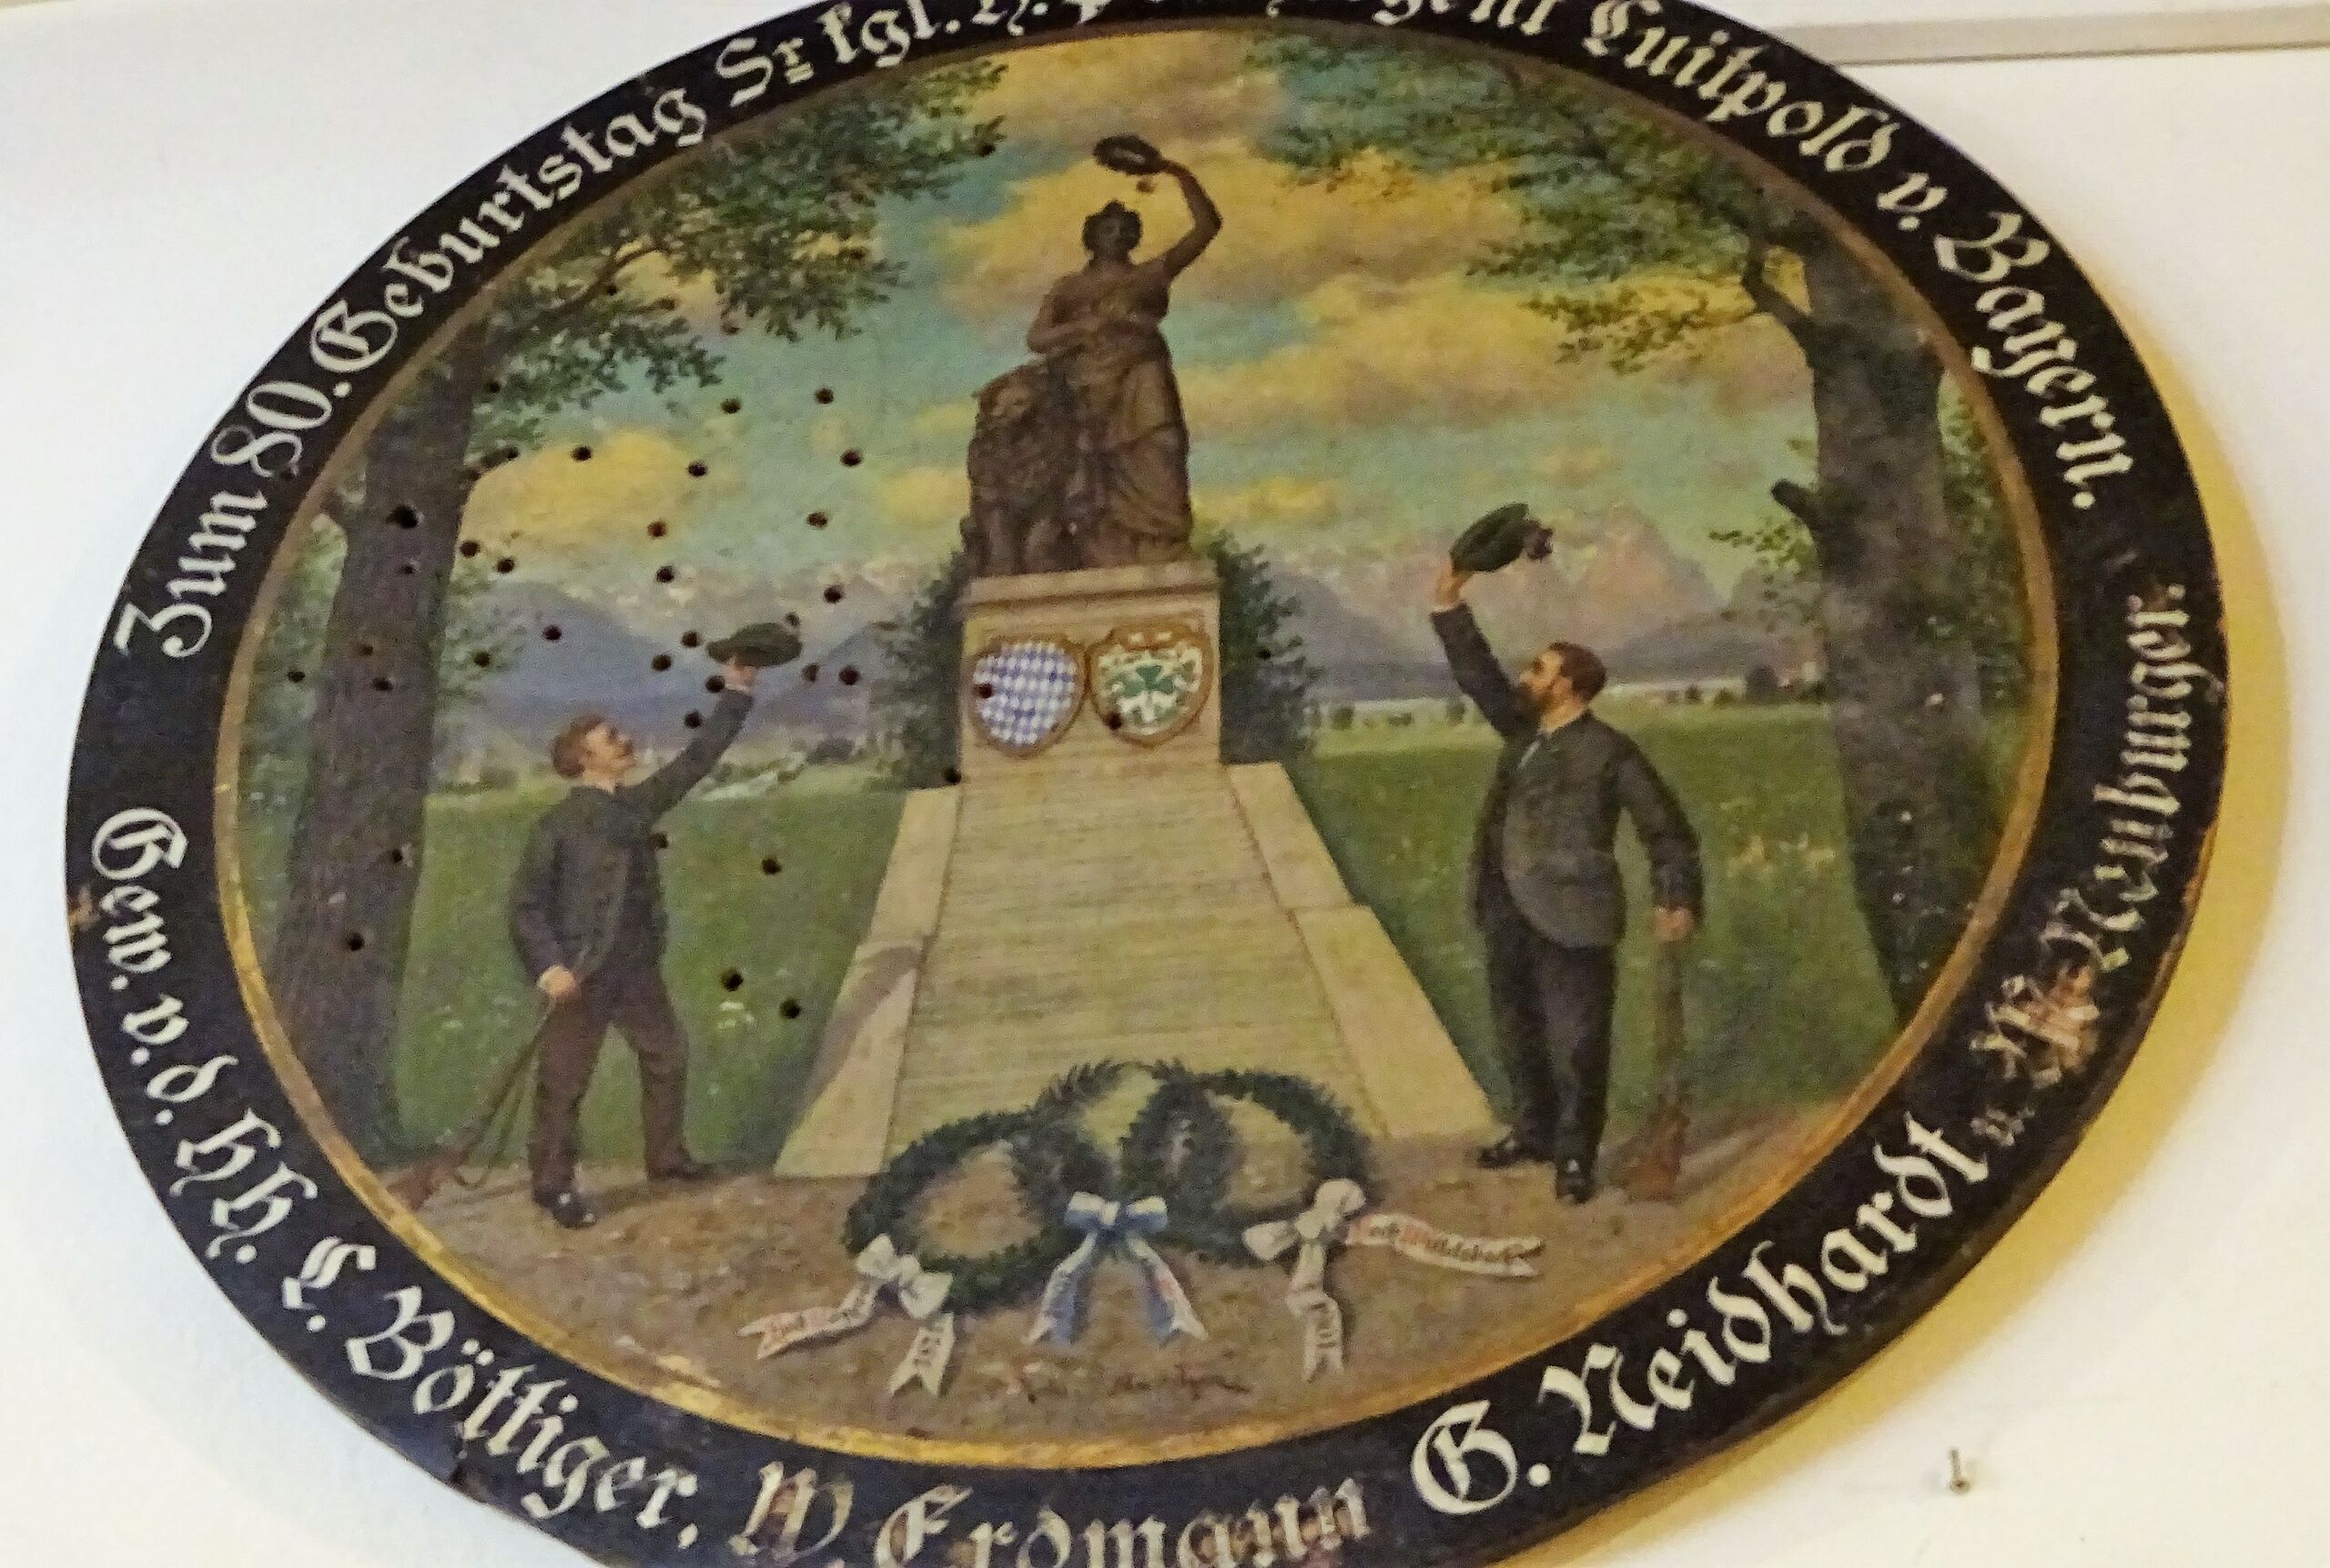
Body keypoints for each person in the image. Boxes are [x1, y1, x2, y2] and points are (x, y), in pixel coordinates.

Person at [1431, 561, 1703, 1202]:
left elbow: (1666, 829)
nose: (1525, 677)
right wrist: (1448, 606)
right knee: (1516, 1029)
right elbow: (1479, 676)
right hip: (1505, 904)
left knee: (1578, 1042)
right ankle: (1534, 1133)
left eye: (1538, 670)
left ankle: (1576, 1156)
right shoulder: (1522, 732)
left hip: (1575, 913)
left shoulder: (1610, 751)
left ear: (1569, 685)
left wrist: (1676, 896)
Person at [506, 663, 757, 1229]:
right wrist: (549, 968)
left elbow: (696, 762)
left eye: (620, 734)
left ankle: (666, 1160)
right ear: (583, 759)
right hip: (580, 974)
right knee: (564, 1081)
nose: (625, 742)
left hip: (636, 968)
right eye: (611, 738)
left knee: (667, 1054)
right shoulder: (557, 826)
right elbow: (525, 906)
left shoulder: (636, 806)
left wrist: (737, 691)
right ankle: (552, 1186)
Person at [1024, 151, 1220, 567]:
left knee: (1162, 444)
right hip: (1089, 383)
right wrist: (1082, 327)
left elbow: (1206, 228)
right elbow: (1037, 339)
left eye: (1124, 230)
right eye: (1107, 229)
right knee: (1098, 462)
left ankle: (1163, 542)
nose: (1116, 235)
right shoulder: (1069, 288)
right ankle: (1104, 544)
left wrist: (1177, 172)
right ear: (1092, 237)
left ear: (1134, 237)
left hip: (1143, 369)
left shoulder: (1150, 275)